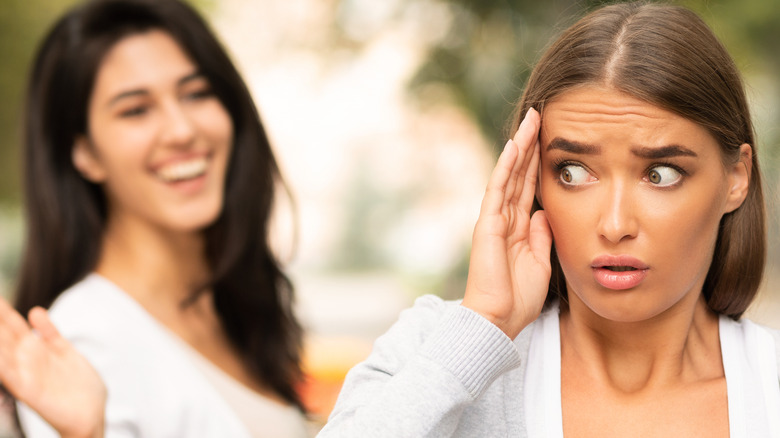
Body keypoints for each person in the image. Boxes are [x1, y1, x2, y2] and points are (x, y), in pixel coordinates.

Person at [317, 2, 780, 437]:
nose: (615, 224)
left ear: (735, 179)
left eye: (660, 174)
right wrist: (482, 329)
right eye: (573, 172)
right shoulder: (438, 348)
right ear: (533, 178)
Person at [2, 0, 309, 436]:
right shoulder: (85, 339)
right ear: (85, 152)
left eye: (197, 93)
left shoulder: (232, 306)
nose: (182, 130)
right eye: (135, 110)